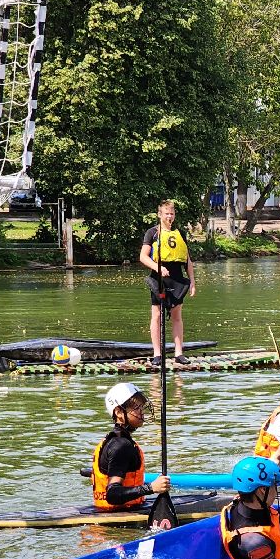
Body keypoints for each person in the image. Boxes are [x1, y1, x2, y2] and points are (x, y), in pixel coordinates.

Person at [91, 382, 171, 510]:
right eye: (136, 407)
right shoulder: (121, 446)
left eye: (141, 407)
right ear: (118, 412)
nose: (141, 412)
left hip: (107, 513)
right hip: (116, 522)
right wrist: (151, 488)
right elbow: (112, 495)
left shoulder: (115, 440)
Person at [139, 199, 196, 365]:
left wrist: (192, 281)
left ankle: (179, 353)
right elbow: (143, 257)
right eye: (166, 214)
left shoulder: (180, 233)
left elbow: (187, 260)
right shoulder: (152, 233)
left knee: (177, 315)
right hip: (159, 277)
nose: (169, 216)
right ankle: (157, 354)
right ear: (160, 214)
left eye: (172, 213)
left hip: (177, 276)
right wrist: (158, 268)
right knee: (156, 315)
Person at [219, 456, 280, 559]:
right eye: (274, 486)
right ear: (262, 490)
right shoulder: (253, 541)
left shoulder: (242, 501)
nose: (276, 492)